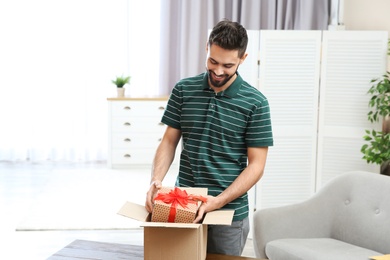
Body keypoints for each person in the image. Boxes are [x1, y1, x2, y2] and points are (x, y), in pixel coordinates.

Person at [145, 19, 273, 256]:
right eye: (213, 61)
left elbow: (257, 165)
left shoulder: (256, 103)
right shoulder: (184, 89)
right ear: (207, 47)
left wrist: (219, 201)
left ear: (243, 59)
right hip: (185, 205)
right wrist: (156, 180)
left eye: (228, 65)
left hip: (229, 214)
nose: (218, 71)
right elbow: (169, 141)